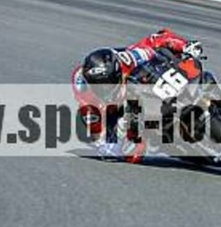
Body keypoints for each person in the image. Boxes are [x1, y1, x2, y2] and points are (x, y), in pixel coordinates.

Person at [71, 29, 203, 163]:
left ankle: (193, 94)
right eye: (99, 86)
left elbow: (158, 38)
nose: (104, 90)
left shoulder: (131, 58)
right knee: (130, 155)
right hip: (113, 111)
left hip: (143, 83)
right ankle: (154, 135)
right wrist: (106, 144)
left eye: (108, 85)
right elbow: (95, 124)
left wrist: (185, 46)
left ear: (118, 74)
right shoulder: (82, 88)